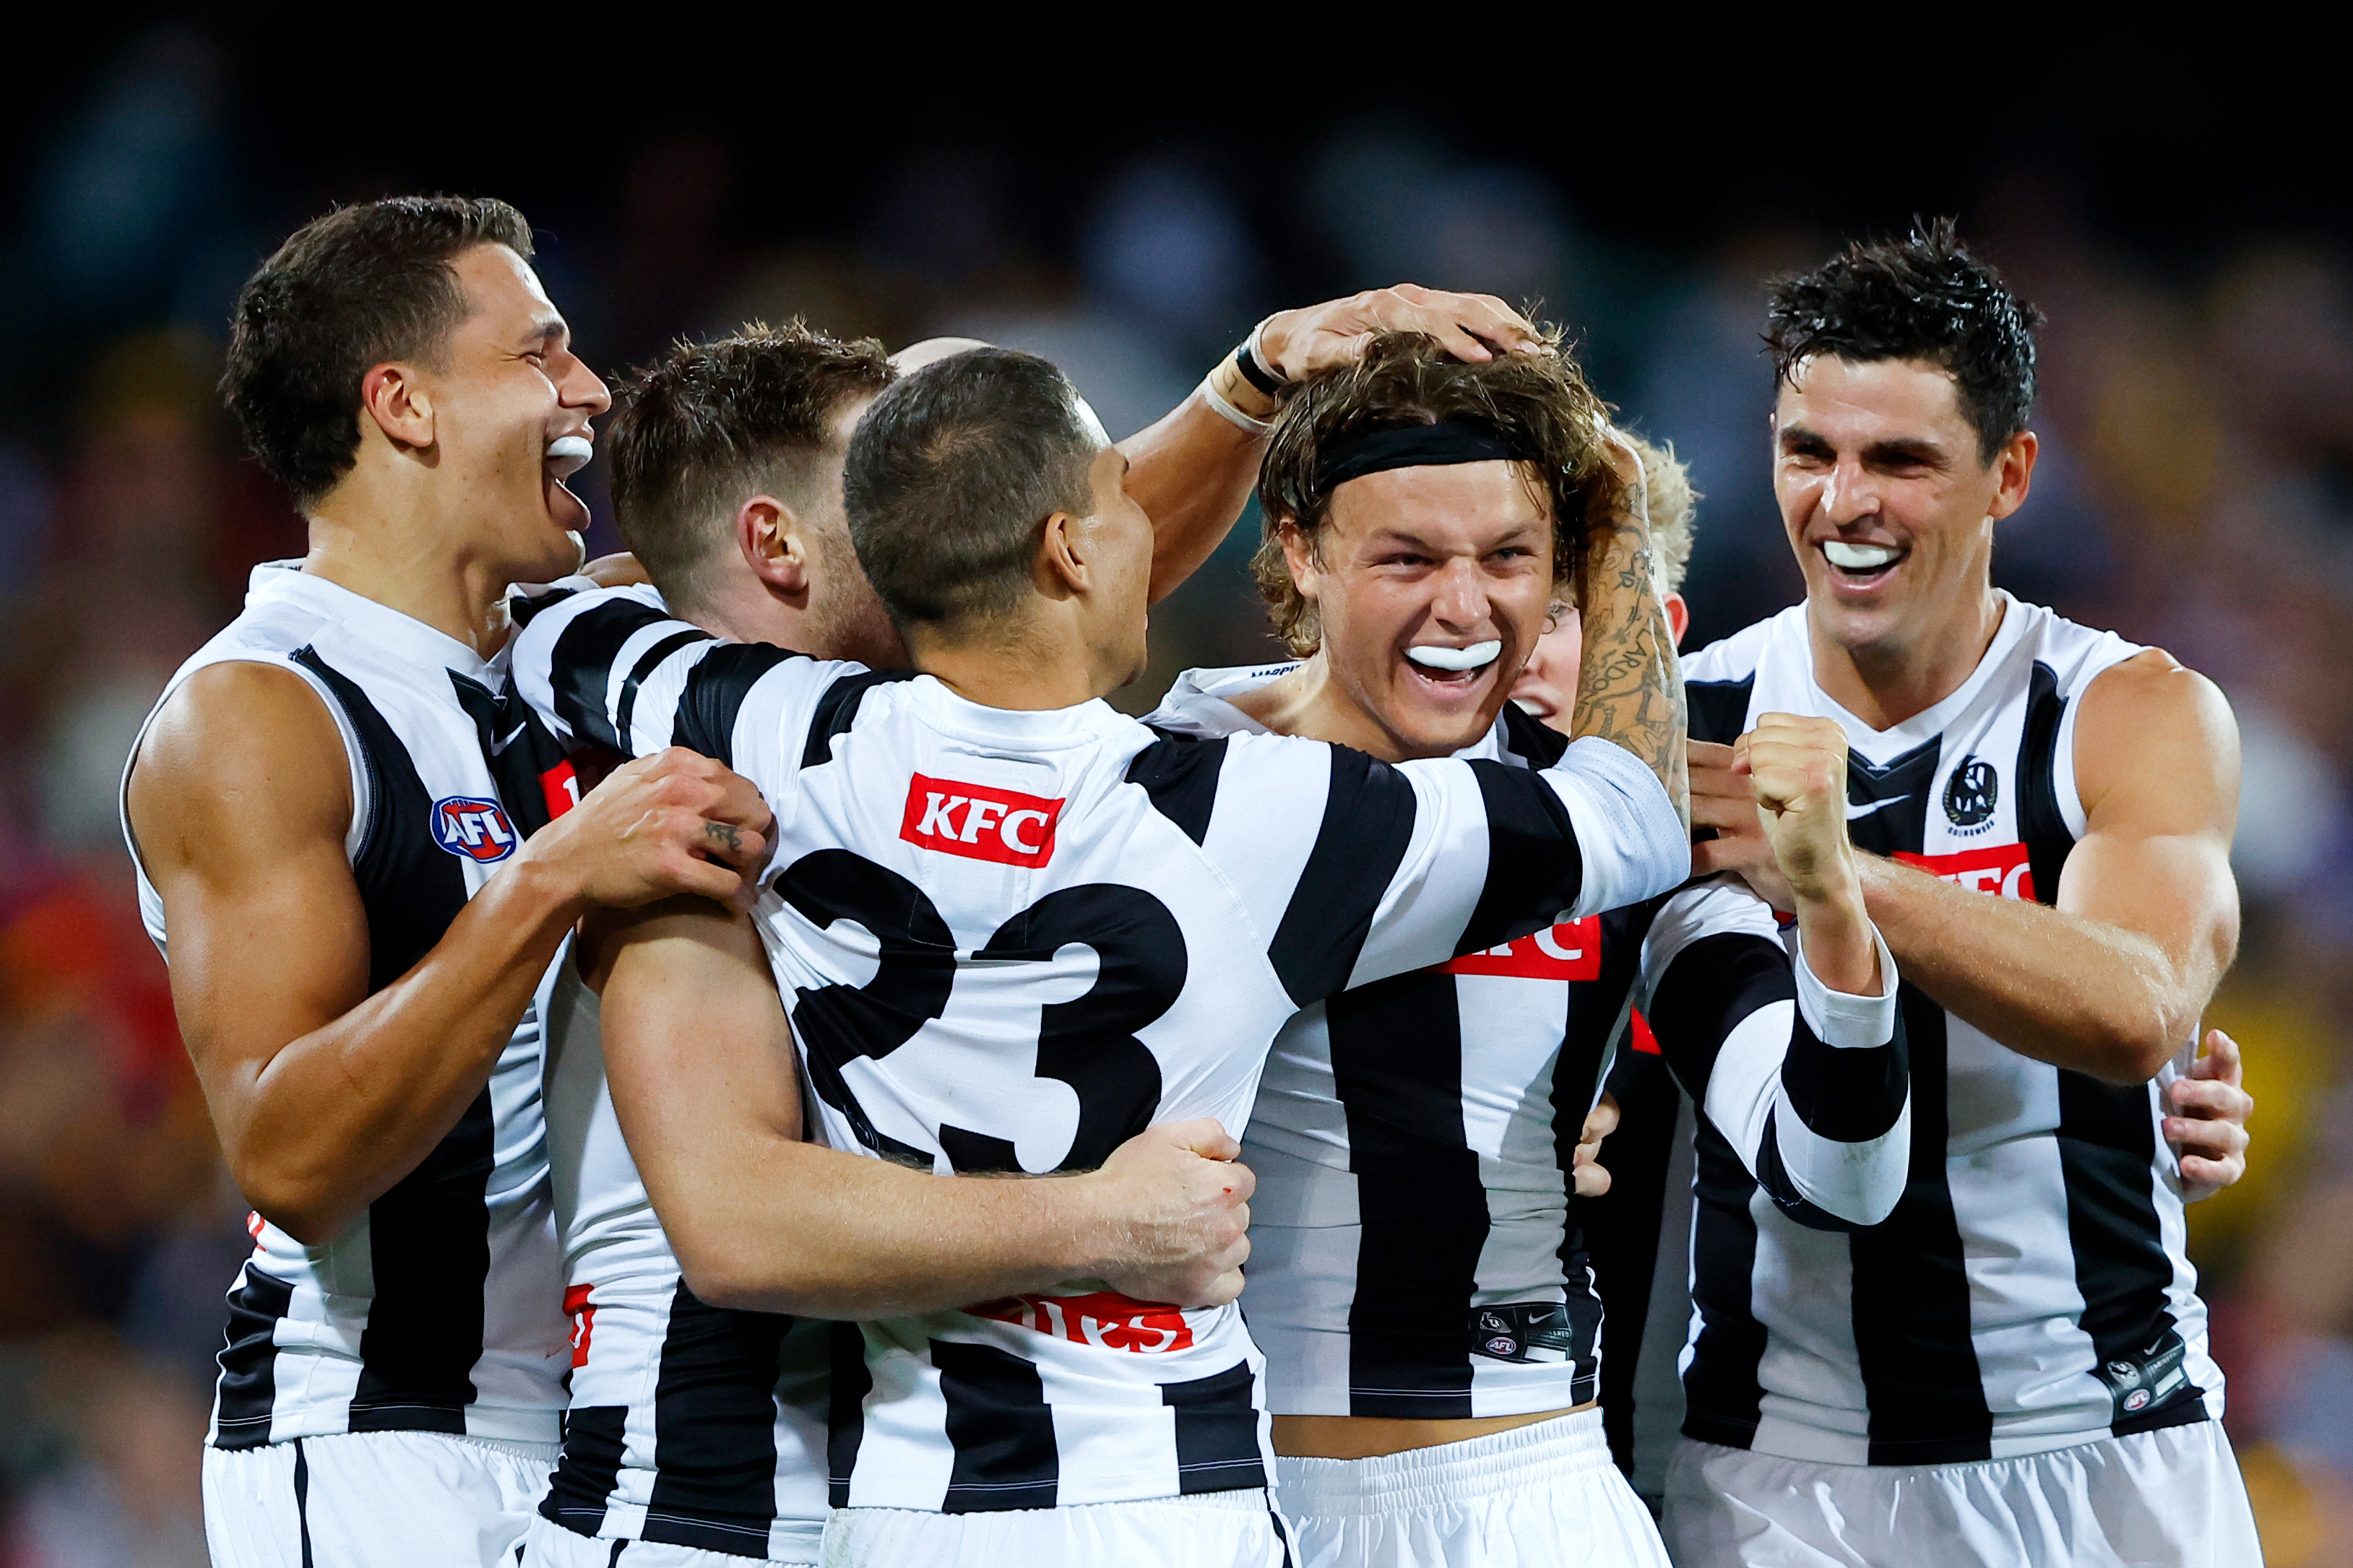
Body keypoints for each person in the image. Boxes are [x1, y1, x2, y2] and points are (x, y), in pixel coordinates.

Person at [509, 343, 1688, 1566]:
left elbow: (555, 631)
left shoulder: (780, 734)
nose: (1152, 533)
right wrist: (1616, 538)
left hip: (898, 1505)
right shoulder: (1254, 811)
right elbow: (1633, 819)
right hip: (1159, 1487)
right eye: (1124, 499)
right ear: (1069, 549)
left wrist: (624, 570)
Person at [1143, 339, 1911, 1568]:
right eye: (1407, 558)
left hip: (1529, 1496)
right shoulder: (1170, 779)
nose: (1465, 610)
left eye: (1511, 560)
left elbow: (1838, 1175)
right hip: (1213, 1495)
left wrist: (1829, 903)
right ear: (1301, 551)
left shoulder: (1636, 846)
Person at [118, 196, 779, 1567]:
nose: (589, 390)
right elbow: (291, 1157)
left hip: (617, 1439)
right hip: (387, 1444)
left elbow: (972, 561)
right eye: (539, 353)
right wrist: (546, 883)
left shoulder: (577, 645)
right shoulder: (260, 712)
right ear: (402, 404)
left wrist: (1233, 398)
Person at [1667, 220, 2262, 1565]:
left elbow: (2136, 1010)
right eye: (1808, 453)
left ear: (2009, 475)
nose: (1843, 504)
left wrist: (1836, 874)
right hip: (1782, 1477)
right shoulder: (1683, 723)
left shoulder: (2126, 712)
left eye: (1900, 462)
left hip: (2102, 1448)